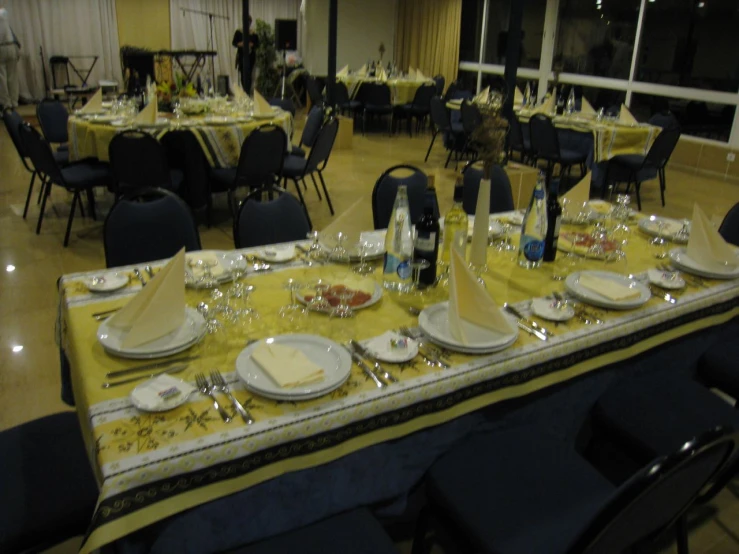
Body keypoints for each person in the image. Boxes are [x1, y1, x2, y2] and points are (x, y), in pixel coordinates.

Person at [0, 7, 21, 110]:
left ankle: (6, 104)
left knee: (2, 78)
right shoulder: (4, 14)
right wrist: (18, 47)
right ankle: (14, 102)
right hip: (12, 45)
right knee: (12, 77)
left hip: (1, 47)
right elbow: (12, 33)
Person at [232, 16, 259, 91]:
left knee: (249, 74)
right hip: (241, 55)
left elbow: (257, 44)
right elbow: (234, 43)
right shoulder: (238, 32)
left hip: (250, 56)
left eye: (248, 22)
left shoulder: (253, 33)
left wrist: (252, 44)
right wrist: (240, 44)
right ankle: (244, 90)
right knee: (243, 74)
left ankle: (248, 91)